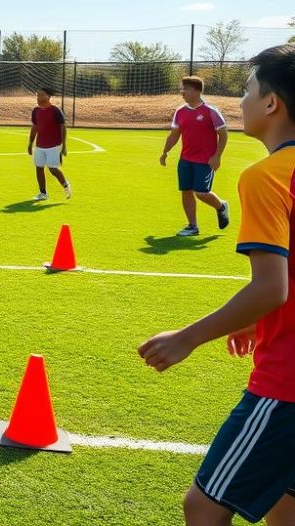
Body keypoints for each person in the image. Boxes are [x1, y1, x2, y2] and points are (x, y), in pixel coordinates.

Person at [139, 45, 295, 525]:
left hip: (286, 384)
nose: (240, 101)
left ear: (271, 104)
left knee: (204, 506)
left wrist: (187, 337)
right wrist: (255, 318)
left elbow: (272, 288)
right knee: (283, 506)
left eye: (247, 90)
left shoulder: (267, 176)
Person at [160, 76, 230, 236]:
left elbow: (223, 135)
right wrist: (165, 152)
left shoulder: (211, 112)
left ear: (196, 90)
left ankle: (221, 206)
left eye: (185, 89)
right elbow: (174, 135)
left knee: (201, 192)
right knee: (186, 191)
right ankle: (192, 226)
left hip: (205, 161)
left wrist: (217, 156)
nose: (182, 92)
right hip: (185, 160)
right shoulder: (180, 112)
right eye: (181, 89)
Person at [28, 87, 71, 201]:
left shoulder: (55, 110)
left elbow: (63, 128)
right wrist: (30, 143)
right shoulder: (36, 111)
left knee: (53, 169)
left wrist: (64, 146)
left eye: (40, 95)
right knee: (39, 168)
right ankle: (43, 193)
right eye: (37, 95)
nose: (38, 98)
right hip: (40, 146)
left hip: (54, 146)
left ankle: (66, 185)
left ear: (47, 97)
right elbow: (34, 128)